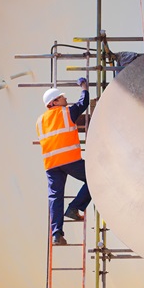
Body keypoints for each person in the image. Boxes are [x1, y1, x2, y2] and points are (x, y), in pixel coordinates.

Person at [37, 78, 92, 246]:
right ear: (53, 103)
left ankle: (56, 234)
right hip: (68, 159)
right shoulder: (66, 113)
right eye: (61, 97)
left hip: (51, 164)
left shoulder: (40, 121)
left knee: (55, 197)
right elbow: (83, 103)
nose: (65, 99)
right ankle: (75, 207)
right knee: (94, 178)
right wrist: (84, 87)